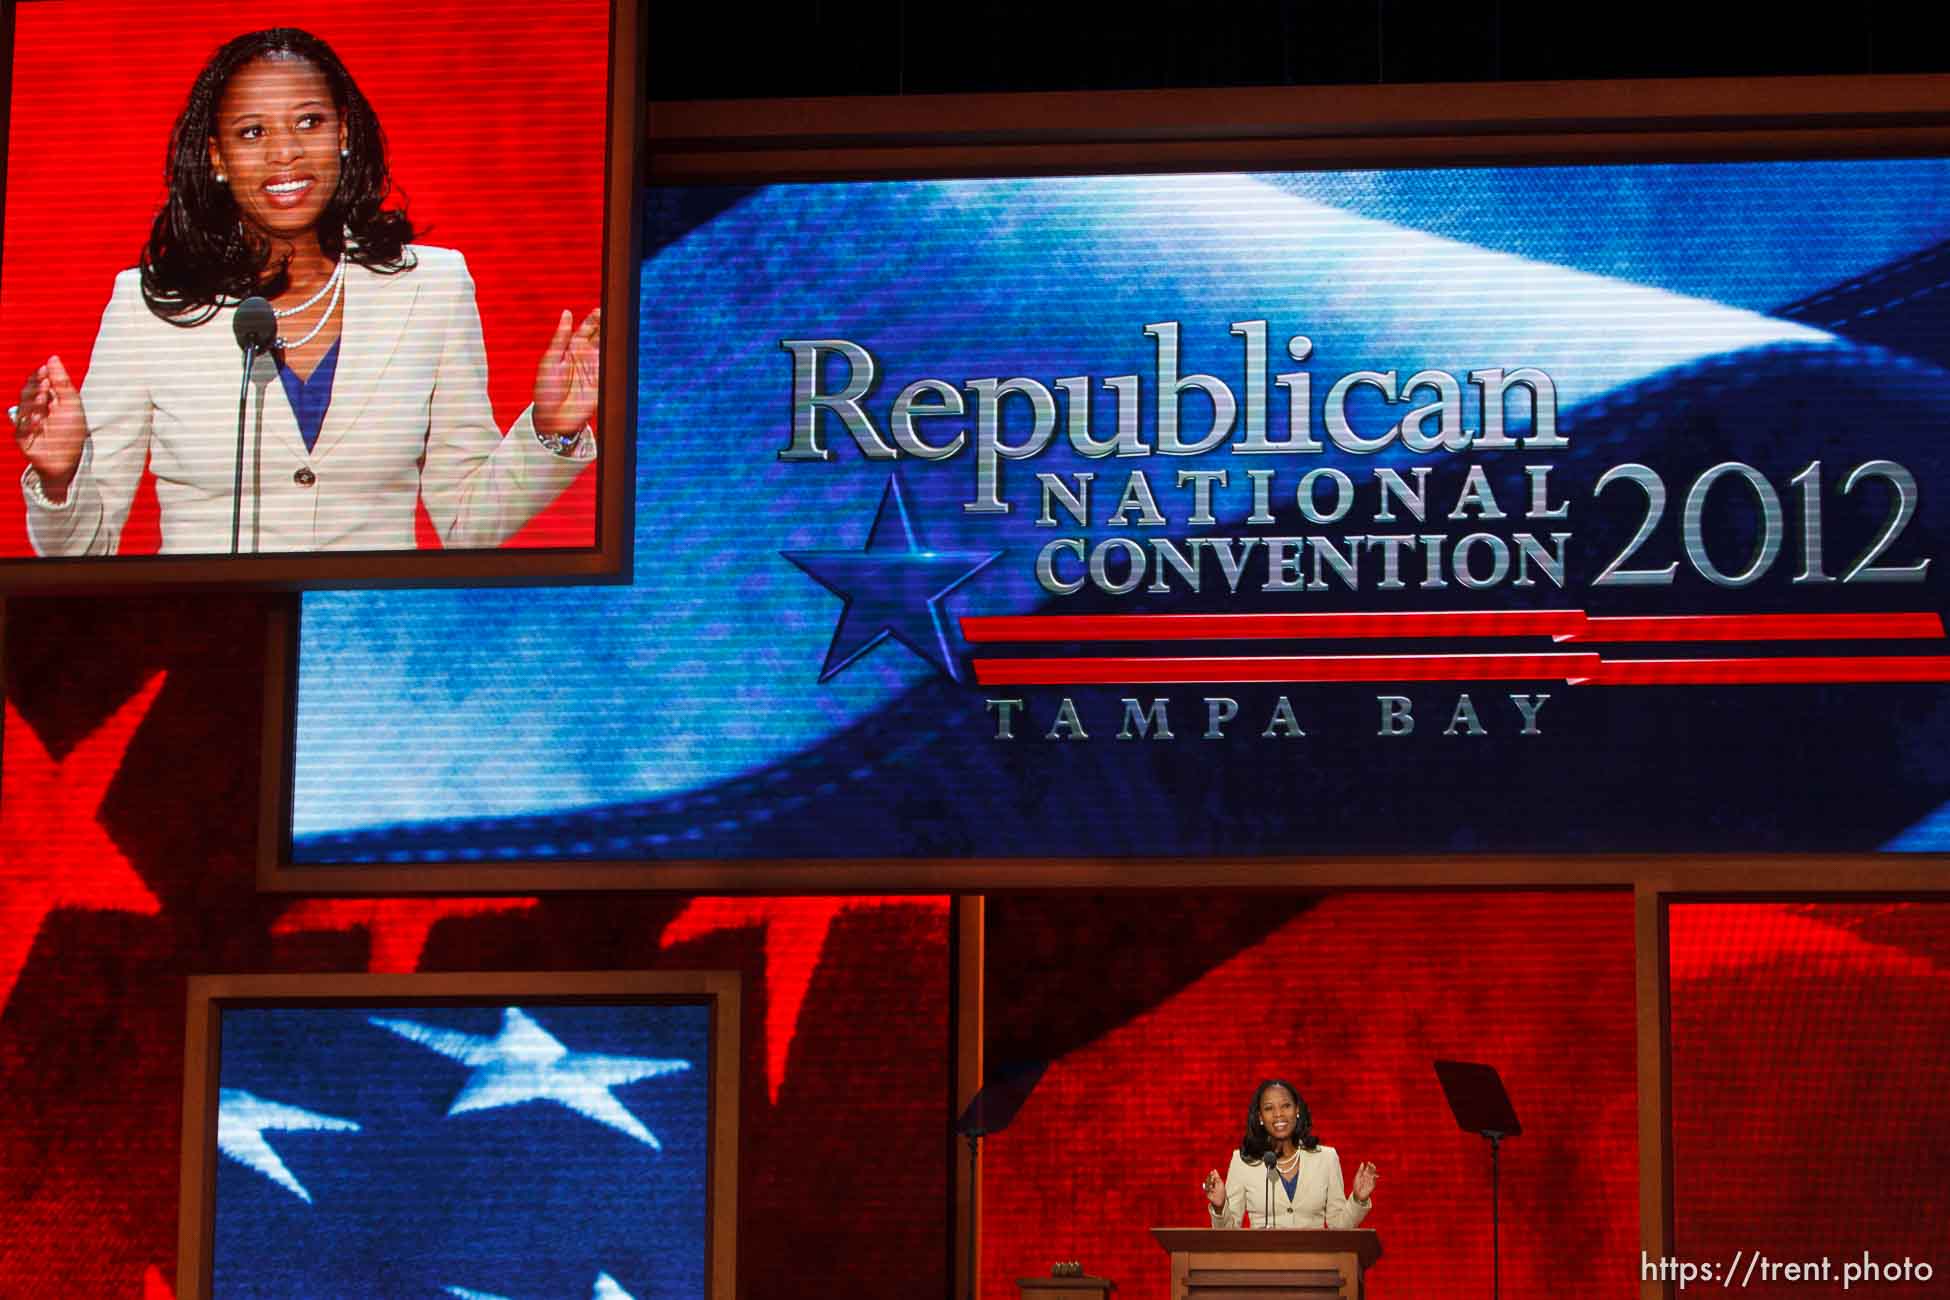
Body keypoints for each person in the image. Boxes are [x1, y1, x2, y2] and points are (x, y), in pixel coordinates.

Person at [8, 27, 599, 555]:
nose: (284, 151)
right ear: (217, 157)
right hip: (212, 642)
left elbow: (468, 523)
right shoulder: (149, 309)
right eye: (252, 132)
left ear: (343, 132)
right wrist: (60, 478)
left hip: (370, 647)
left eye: (308, 122)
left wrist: (552, 429)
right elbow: (87, 551)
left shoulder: (433, 289)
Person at [1202, 1079, 1378, 1230]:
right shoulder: (1243, 1162)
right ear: (1260, 1117)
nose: (1279, 1114)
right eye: (1269, 1108)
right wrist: (1219, 1207)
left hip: (1316, 1264)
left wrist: (1357, 1199)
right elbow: (1229, 1234)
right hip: (1262, 1264)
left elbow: (1339, 1227)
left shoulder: (1326, 1158)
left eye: (1286, 1106)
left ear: (1297, 1110)